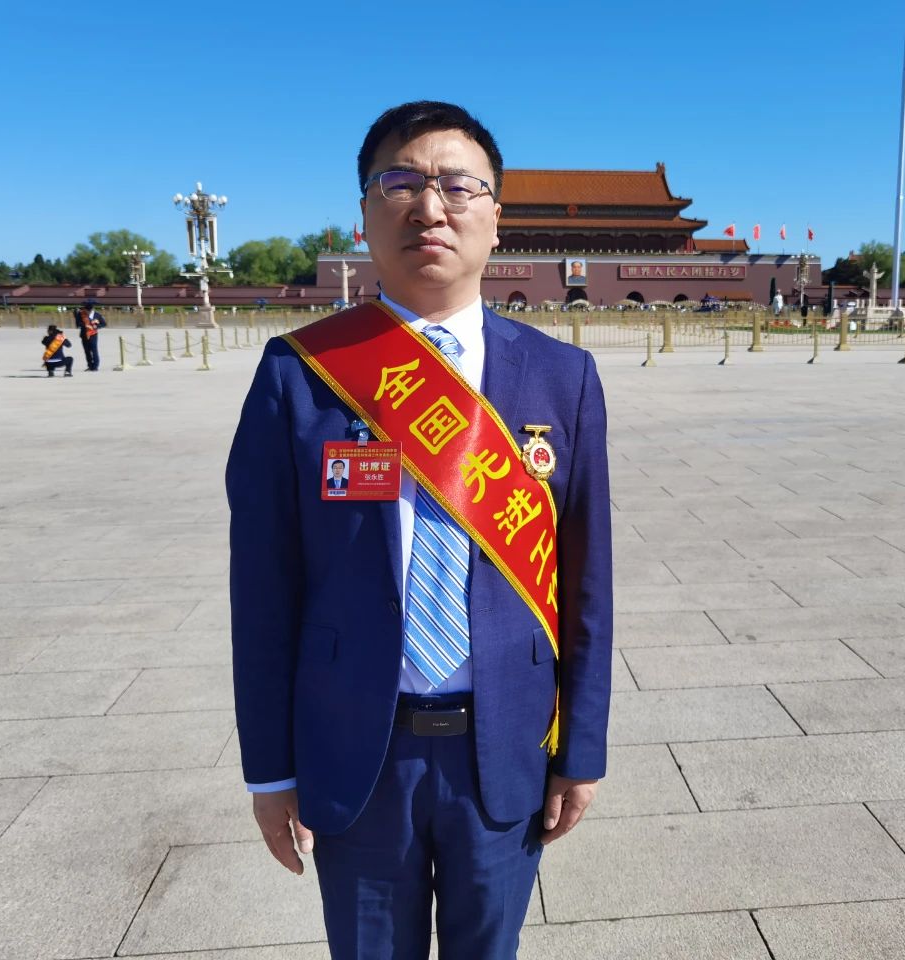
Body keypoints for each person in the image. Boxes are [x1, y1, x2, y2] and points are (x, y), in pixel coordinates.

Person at [226, 101, 613, 960]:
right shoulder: (300, 374)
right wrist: (270, 769)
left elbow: (587, 587)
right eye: (400, 183)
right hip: (355, 750)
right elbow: (262, 593)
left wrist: (581, 748)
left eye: (458, 186)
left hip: (504, 747)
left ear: (496, 219)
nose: (430, 207)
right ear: (364, 216)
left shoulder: (563, 378)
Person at [74, 301, 106, 371]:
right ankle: (90, 366)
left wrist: (96, 326)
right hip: (84, 334)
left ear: (92, 309)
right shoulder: (80, 314)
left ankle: (95, 366)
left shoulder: (97, 315)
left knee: (94, 350)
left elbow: (104, 324)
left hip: (93, 335)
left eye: (89, 311)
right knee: (87, 351)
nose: (87, 312)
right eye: (86, 310)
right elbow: (77, 324)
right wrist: (85, 325)